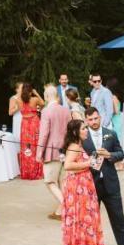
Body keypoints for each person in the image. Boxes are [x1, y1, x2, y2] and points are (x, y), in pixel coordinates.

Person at [83, 107, 124, 245]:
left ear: (100, 117)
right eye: (90, 119)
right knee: (91, 222)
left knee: (119, 219)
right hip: (92, 184)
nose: (93, 122)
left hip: (111, 184)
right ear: (86, 120)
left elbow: (121, 153)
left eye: (95, 118)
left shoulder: (110, 134)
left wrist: (110, 155)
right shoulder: (83, 137)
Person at [61, 118, 108, 245]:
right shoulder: (74, 147)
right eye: (83, 128)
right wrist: (89, 162)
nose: (86, 130)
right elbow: (67, 165)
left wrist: (94, 160)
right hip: (78, 188)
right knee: (82, 222)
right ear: (76, 132)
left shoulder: (79, 145)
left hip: (84, 186)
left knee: (85, 223)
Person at [38, 83, 72, 220]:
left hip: (51, 151)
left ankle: (67, 206)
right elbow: (71, 130)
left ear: (46, 97)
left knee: (50, 181)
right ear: (57, 96)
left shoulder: (46, 111)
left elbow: (44, 134)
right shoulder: (65, 110)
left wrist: (39, 153)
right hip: (65, 149)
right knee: (62, 181)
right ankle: (60, 212)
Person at [17, 82, 44, 180]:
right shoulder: (34, 99)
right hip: (33, 122)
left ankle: (26, 171)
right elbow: (43, 104)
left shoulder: (19, 100)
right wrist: (36, 93)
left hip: (24, 123)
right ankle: (35, 171)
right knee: (35, 145)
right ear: (30, 91)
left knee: (26, 146)